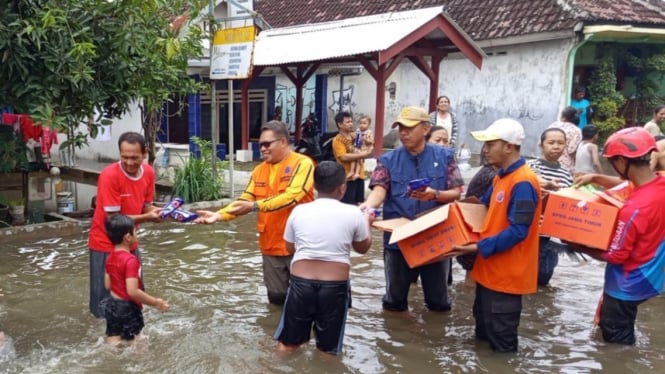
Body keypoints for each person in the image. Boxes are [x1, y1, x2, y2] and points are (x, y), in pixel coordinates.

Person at [195, 121, 315, 305]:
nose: (263, 149)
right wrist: (219, 215)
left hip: (299, 246)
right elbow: (245, 199)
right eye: (260, 145)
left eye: (267, 144)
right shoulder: (259, 170)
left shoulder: (303, 164)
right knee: (276, 299)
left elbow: (292, 196)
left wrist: (254, 206)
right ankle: (273, 333)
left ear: (283, 141)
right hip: (270, 246)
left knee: (305, 301)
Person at [360, 106, 464, 312]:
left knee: (438, 302)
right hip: (399, 239)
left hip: (435, 237)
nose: (403, 133)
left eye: (409, 128)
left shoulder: (445, 157)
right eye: (400, 128)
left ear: (426, 129)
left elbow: (456, 193)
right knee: (394, 301)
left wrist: (434, 194)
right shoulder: (387, 160)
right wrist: (366, 207)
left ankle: (434, 339)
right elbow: (379, 190)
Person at [570, 127, 665, 345]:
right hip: (651, 278)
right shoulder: (660, 183)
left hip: (625, 285)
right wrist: (597, 177)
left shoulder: (634, 209)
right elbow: (629, 184)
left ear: (621, 161)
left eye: (613, 161)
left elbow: (616, 255)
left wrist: (577, 245)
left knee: (616, 344)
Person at [454, 118, 541, 352]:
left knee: (502, 345)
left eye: (491, 144)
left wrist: (477, 247)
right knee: (483, 336)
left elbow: (518, 231)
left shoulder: (523, 182)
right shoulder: (500, 177)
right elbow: (481, 209)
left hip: (507, 279)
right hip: (488, 273)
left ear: (509, 147)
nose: (485, 150)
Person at [274, 161, 373, 356]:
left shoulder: (299, 211)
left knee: (287, 343)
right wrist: (367, 222)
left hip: (300, 285)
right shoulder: (353, 213)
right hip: (334, 288)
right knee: (328, 350)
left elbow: (290, 247)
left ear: (314, 186)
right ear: (342, 187)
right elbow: (362, 248)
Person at [88, 131, 162, 318]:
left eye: (134, 158)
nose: (129, 162)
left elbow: (146, 205)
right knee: (104, 297)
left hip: (130, 240)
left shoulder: (149, 173)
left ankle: (133, 327)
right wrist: (148, 217)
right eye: (124, 157)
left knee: (135, 288)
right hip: (105, 242)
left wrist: (162, 212)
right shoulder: (109, 176)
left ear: (145, 153)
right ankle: (105, 333)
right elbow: (114, 219)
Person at [101, 214, 169, 345]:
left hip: (112, 305)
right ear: (128, 237)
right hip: (128, 308)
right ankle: (142, 363)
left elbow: (108, 285)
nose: (137, 234)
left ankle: (112, 364)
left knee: (113, 339)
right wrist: (156, 302)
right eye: (135, 231)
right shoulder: (131, 260)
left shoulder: (110, 257)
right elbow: (132, 291)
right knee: (138, 341)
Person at [527, 128, 574, 286]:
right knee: (527, 273)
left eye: (560, 143)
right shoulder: (531, 166)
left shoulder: (566, 174)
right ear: (541, 145)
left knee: (544, 275)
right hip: (530, 230)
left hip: (551, 234)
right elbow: (529, 182)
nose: (556, 146)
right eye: (551, 142)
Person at [332, 111, 373, 204]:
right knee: (348, 204)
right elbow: (343, 157)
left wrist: (368, 145)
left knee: (358, 203)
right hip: (347, 178)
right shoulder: (338, 140)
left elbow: (367, 146)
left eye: (351, 121)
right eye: (347, 122)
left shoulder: (355, 135)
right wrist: (362, 155)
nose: (351, 124)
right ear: (340, 124)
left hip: (360, 175)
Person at [547, 106, 582, 172]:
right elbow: (571, 150)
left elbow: (541, 142)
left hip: (548, 162)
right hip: (564, 167)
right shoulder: (577, 131)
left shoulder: (553, 125)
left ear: (563, 117)